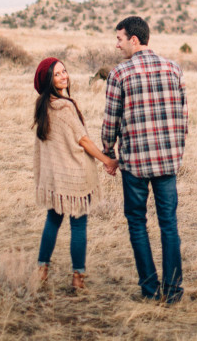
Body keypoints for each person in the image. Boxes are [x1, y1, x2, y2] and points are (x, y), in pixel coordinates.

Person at [101, 16, 188, 303]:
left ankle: (150, 290)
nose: (117, 45)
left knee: (137, 222)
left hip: (135, 165)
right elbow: (183, 117)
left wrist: (109, 153)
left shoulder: (120, 73)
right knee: (169, 224)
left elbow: (111, 120)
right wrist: (177, 151)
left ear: (134, 40)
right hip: (167, 162)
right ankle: (173, 292)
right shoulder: (173, 68)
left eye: (119, 38)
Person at [32, 57, 119, 289]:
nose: (64, 76)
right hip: (74, 178)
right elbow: (83, 140)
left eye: (64, 71)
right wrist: (107, 160)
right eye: (57, 74)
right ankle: (78, 278)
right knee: (78, 226)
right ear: (48, 80)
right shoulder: (65, 106)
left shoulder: (43, 106)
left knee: (52, 221)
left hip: (55, 178)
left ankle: (42, 269)